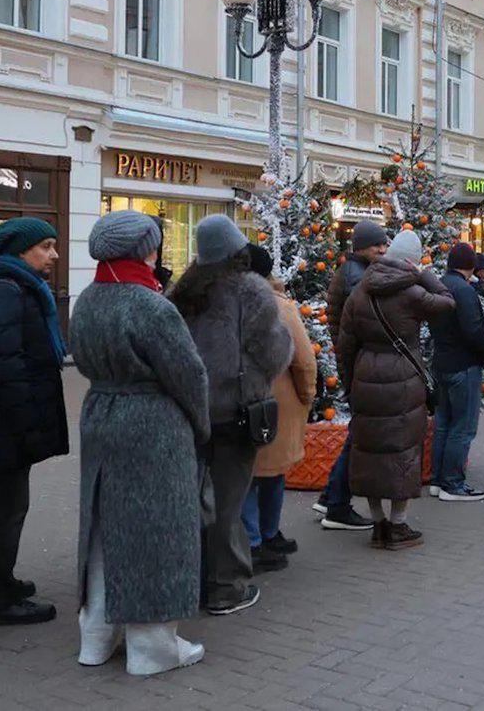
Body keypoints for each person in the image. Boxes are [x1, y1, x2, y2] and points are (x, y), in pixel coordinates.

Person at [71, 210, 210, 676]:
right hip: (152, 424)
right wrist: (200, 424)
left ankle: (96, 635)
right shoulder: (151, 304)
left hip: (101, 415)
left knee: (103, 528)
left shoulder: (87, 299)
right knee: (156, 531)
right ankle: (151, 647)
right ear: (143, 250)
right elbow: (188, 374)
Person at [172, 214, 291, 615]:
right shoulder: (251, 292)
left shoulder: (184, 293)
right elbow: (274, 353)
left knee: (193, 498)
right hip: (235, 414)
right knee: (228, 501)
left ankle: (191, 578)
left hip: (190, 411)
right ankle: (226, 586)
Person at [0, 216, 69, 625]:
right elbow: (4, 368)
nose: (53, 255)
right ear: (20, 251)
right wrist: (27, 426)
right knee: (5, 508)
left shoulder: (18, 289)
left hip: (6, 423)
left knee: (6, 504)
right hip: (4, 424)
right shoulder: (6, 292)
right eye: (45, 246)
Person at [337, 230, 454, 547]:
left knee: (370, 451)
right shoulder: (412, 293)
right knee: (403, 450)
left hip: (366, 376)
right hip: (403, 378)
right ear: (411, 262)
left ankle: (378, 525)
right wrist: (424, 274)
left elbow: (345, 345)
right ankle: (398, 525)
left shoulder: (360, 292)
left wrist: (350, 385)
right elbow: (447, 301)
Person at [243, 244, 315, 570]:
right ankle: (260, 539)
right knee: (269, 473)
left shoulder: (229, 302)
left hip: (244, 403)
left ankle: (260, 536)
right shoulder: (278, 306)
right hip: (275, 406)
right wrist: (307, 396)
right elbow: (303, 359)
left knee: (251, 474)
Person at [312, 220, 387, 532]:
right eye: (376, 246)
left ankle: (330, 495)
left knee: (359, 433)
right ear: (360, 248)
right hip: (359, 366)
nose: (383, 250)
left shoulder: (353, 271)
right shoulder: (358, 276)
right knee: (360, 436)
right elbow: (368, 323)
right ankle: (338, 505)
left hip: (354, 364)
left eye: (384, 244)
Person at [428, 242, 484, 501]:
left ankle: (437, 479)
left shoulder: (439, 285)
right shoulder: (464, 291)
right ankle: (453, 483)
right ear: (470, 266)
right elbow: (474, 331)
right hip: (463, 365)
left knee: (443, 423)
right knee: (463, 426)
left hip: (441, 363)